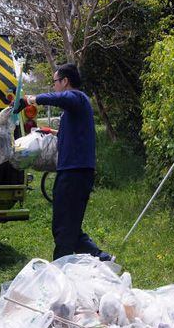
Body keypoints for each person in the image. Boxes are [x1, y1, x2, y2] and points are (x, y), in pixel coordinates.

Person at [14, 63, 114, 262]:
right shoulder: (74, 109)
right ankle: (102, 258)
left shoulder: (76, 98)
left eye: (55, 82)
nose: (54, 86)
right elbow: (75, 134)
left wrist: (30, 99)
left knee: (64, 229)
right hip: (71, 172)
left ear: (65, 81)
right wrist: (52, 133)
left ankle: (60, 272)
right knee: (68, 227)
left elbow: (61, 98)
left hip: (75, 173)